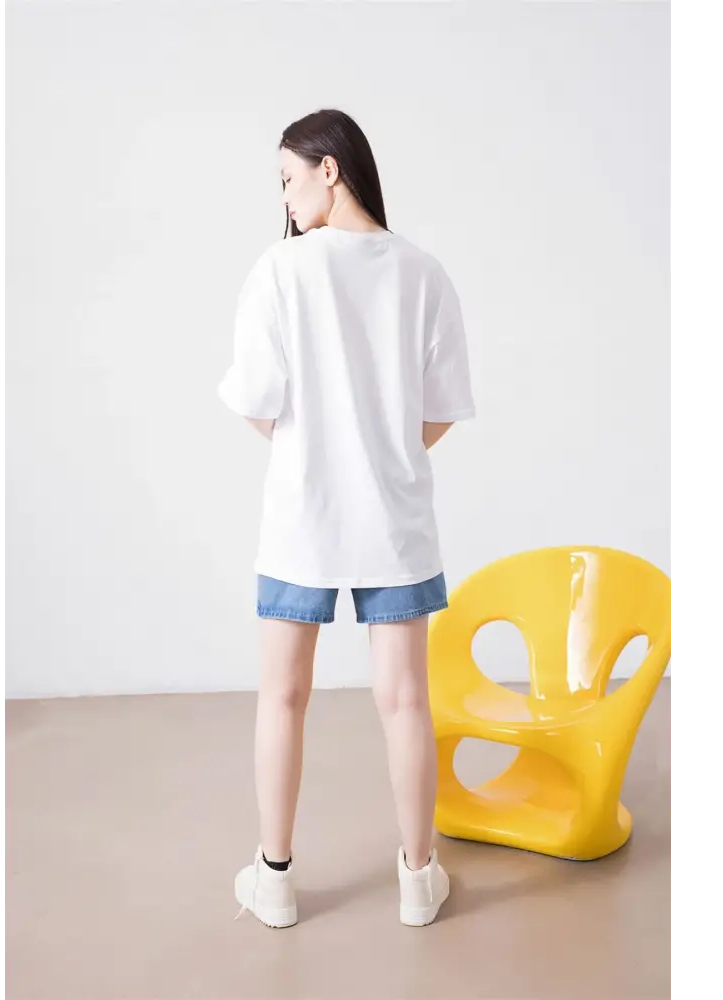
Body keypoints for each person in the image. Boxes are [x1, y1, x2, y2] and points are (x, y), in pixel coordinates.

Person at [217, 108, 475, 928]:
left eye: (288, 178)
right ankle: (418, 880)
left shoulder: (280, 271)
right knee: (405, 701)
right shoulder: (424, 273)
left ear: (330, 168)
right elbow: (440, 412)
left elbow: (256, 401)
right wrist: (380, 450)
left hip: (303, 515)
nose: (284, 198)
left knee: (282, 696)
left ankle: (275, 879)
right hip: (394, 520)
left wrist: (315, 448)